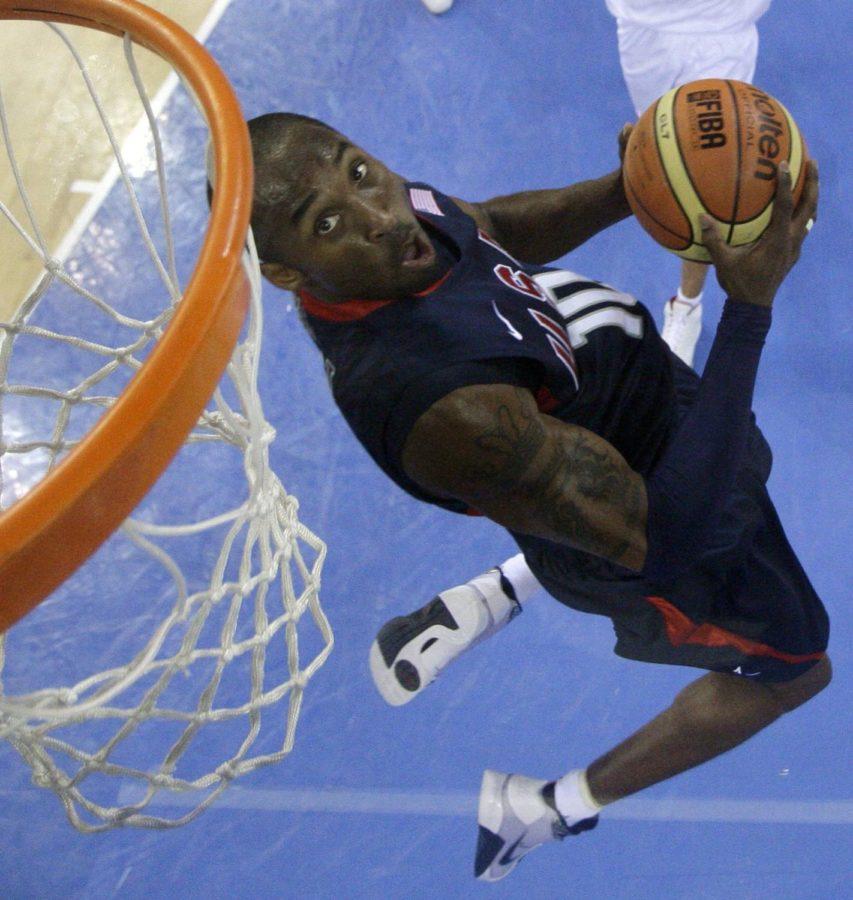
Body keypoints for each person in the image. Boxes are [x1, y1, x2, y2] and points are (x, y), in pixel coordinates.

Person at [245, 111, 827, 882]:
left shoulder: (388, 230)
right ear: (284, 271)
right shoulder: (441, 407)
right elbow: (667, 534)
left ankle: (492, 593)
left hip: (630, 409)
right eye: (324, 222)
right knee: (796, 665)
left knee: (724, 462)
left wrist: (628, 190)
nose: (380, 215)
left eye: (358, 170)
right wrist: (748, 310)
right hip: (655, 536)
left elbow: (483, 229)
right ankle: (547, 807)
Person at [605, 0, 773, 365]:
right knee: (655, 149)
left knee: (707, 179)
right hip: (644, 23)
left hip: (722, 26)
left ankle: (687, 305)